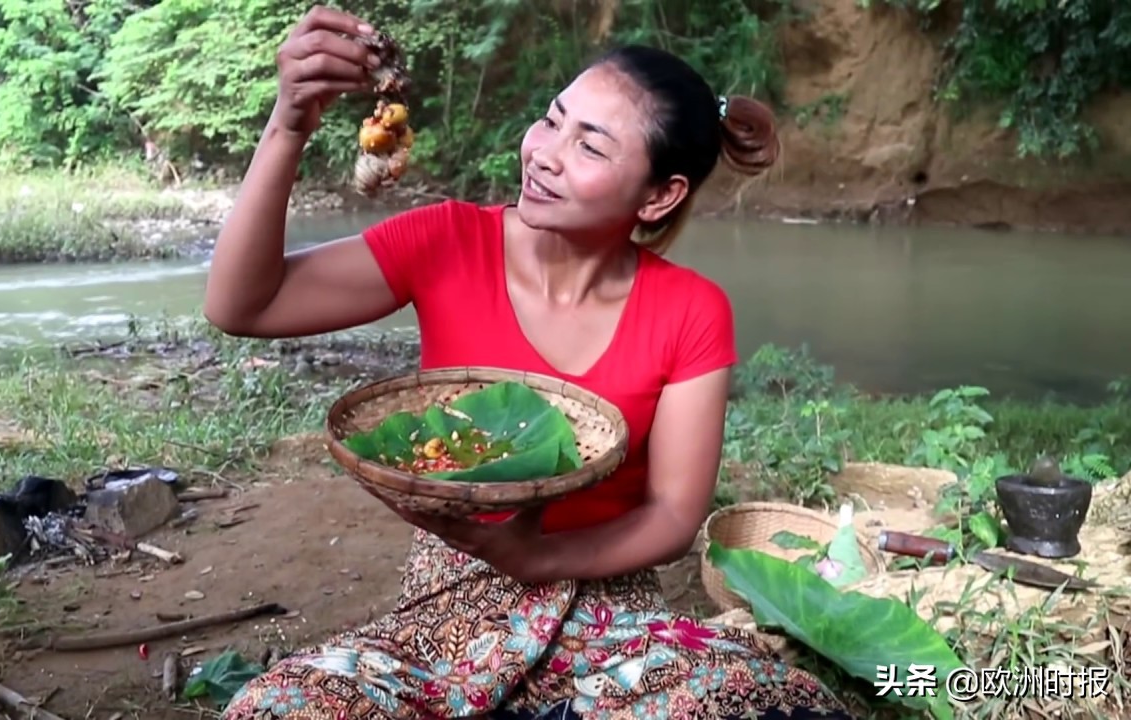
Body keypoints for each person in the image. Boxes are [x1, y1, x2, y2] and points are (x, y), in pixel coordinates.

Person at [204, 6, 853, 720]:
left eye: (591, 146)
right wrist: (289, 125)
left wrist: (539, 559)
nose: (544, 151)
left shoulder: (691, 310)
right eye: (551, 119)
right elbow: (245, 306)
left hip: (613, 610)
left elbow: (672, 514)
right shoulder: (447, 241)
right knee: (288, 706)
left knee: (750, 702)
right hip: (451, 597)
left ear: (659, 195)